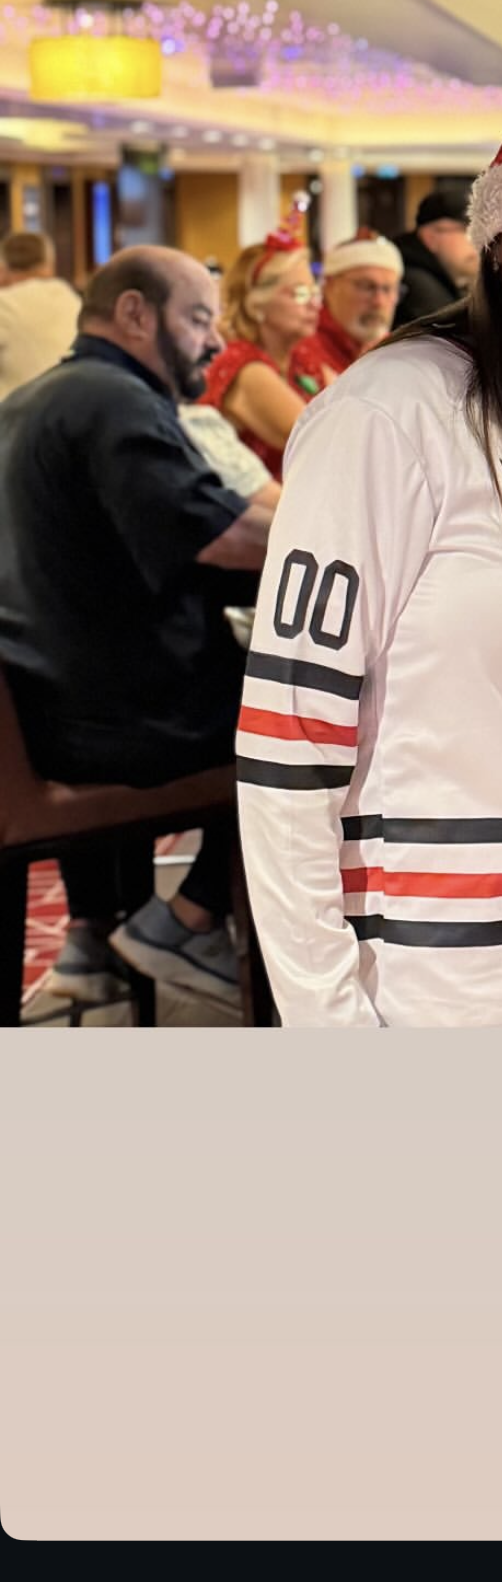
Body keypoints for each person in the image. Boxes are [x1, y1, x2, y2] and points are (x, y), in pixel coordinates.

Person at [238, 87, 502, 1027]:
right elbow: (289, 740)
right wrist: (324, 1019)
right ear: (498, 233)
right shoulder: (387, 412)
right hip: (450, 975)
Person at [0, 248, 276, 1013]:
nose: (215, 342)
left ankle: (95, 937)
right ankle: (189, 919)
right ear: (133, 313)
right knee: (326, 716)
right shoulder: (113, 398)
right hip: (123, 725)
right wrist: (350, 535)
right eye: (198, 320)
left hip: (48, 714)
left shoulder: (31, 400)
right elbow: (220, 536)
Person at [201, 227, 318, 480]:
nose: (314, 304)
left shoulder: (301, 359)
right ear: (256, 303)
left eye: (314, 292)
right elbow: (326, 440)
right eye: (299, 293)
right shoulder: (243, 366)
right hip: (260, 503)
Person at [288, 229, 403, 391]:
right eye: (366, 286)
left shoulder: (396, 351)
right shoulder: (299, 348)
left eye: (388, 289)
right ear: (329, 286)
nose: (379, 301)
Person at [0, 230, 81, 401]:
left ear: (3, 270)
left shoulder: (5, 303)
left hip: (19, 412)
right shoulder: (73, 301)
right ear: (50, 265)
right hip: (76, 405)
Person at [393, 179, 478, 327]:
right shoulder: (418, 286)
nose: (478, 241)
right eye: (468, 230)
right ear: (430, 238)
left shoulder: (432, 276)